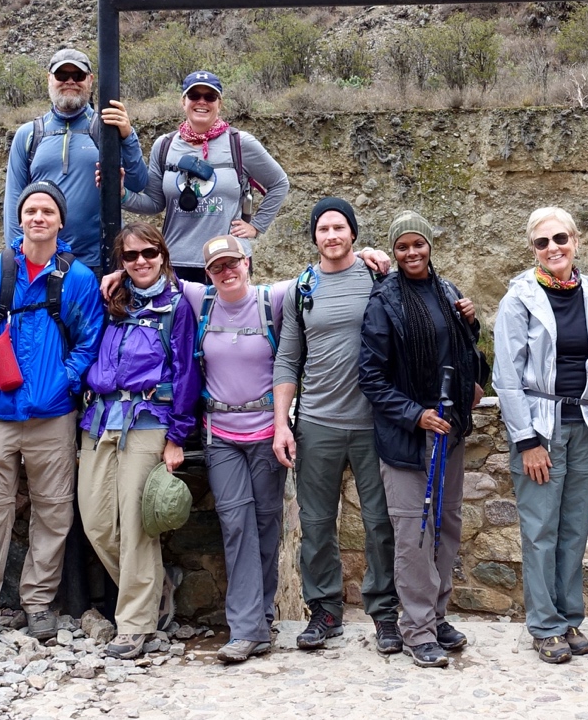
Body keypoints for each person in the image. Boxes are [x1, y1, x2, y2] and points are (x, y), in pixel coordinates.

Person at [0, 181, 104, 649]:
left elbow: (88, 341)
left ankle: (38, 604)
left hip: (52, 416)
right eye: (31, 210)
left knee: (52, 512)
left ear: (60, 221)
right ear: (21, 219)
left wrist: (64, 381)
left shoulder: (78, 279)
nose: (38, 218)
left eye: (47, 211)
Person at [271, 198, 403, 655]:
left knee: (380, 523)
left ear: (353, 234)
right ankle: (324, 612)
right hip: (316, 423)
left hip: (374, 424)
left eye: (339, 227)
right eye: (323, 228)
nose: (331, 235)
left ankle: (385, 614)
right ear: (313, 236)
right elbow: (288, 358)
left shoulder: (376, 278)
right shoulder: (301, 288)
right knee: (317, 522)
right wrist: (281, 424)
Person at [357, 212, 486, 669]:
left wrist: (471, 327)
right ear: (393, 252)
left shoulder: (448, 292)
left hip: (448, 433)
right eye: (403, 247)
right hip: (407, 438)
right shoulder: (384, 302)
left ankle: (435, 615)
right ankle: (416, 630)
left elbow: (465, 356)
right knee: (414, 532)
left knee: (447, 526)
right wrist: (416, 415)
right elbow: (370, 377)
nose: (412, 253)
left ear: (430, 245)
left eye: (419, 244)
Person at [492, 207, 588, 664]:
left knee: (574, 526)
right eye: (542, 243)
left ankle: (569, 617)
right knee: (541, 526)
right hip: (540, 425)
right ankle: (544, 625)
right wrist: (527, 441)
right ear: (533, 250)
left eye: (560, 239)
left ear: (575, 240)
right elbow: (506, 376)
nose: (552, 249)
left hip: (587, 424)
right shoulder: (519, 298)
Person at [78, 222, 200, 659]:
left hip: (148, 419)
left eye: (149, 252)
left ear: (163, 255)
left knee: (135, 526)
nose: (141, 262)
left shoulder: (177, 306)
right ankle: (158, 585)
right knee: (95, 521)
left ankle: (134, 625)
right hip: (99, 418)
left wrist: (178, 435)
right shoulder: (111, 300)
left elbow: (187, 372)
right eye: (130, 256)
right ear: (121, 263)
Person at [185, 234, 293, 663]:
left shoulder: (273, 299)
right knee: (236, 524)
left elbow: (318, 276)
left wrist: (366, 254)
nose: (226, 272)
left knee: (267, 524)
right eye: (217, 267)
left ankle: (260, 619)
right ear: (207, 273)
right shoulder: (200, 301)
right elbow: (150, 273)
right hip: (220, 434)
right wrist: (119, 271)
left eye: (233, 263)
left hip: (268, 431)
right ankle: (246, 629)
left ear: (248, 262)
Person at [122, 70, 290, 283]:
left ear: (220, 104)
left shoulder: (240, 143)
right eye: (194, 96)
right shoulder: (164, 146)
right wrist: (121, 195)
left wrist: (256, 226)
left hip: (228, 262)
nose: (202, 101)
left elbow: (279, 183)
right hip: (176, 263)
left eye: (210, 97)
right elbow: (154, 203)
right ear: (183, 101)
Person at [3, 47, 147, 267]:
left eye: (78, 76)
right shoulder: (28, 135)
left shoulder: (109, 128)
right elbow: (15, 199)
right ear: (49, 79)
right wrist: (17, 257)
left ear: (90, 80)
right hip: (42, 261)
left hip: (98, 262)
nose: (70, 81)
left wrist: (127, 136)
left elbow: (138, 184)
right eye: (62, 75)